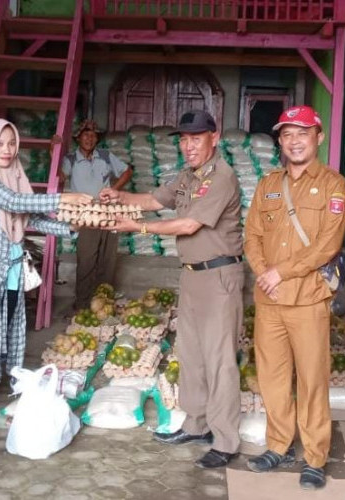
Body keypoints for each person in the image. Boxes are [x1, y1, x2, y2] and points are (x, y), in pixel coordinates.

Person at [99, 110, 243, 469]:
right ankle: (196, 425)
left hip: (220, 277)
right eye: (183, 138)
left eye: (196, 138)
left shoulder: (221, 177)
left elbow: (189, 224)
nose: (188, 145)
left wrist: (139, 228)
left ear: (215, 136)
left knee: (220, 360)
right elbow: (153, 200)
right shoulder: (187, 176)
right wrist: (118, 196)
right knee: (191, 355)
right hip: (192, 275)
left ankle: (225, 440)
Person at [0, 119, 92, 443]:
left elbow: (28, 216)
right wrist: (62, 199)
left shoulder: (13, 177)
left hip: (11, 269)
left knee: (1, 340)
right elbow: (15, 204)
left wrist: (71, 226)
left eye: (12, 143)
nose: (7, 150)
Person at [243, 105, 345, 489]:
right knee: (271, 378)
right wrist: (262, 271)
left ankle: (315, 457)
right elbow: (252, 234)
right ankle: (278, 444)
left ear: (318, 137)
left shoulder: (334, 184)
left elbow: (328, 244)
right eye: (287, 135)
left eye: (302, 133)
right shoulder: (268, 183)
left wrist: (281, 272)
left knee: (312, 380)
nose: (294, 141)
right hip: (270, 299)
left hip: (308, 300)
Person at [62, 119, 133, 310]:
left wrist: (114, 189)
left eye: (93, 135)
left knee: (108, 259)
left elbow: (127, 171)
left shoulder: (105, 156)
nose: (89, 138)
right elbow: (59, 177)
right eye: (86, 134)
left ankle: (104, 304)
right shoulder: (70, 159)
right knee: (86, 258)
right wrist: (53, 153)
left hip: (108, 211)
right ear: (78, 138)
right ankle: (83, 303)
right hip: (86, 213)